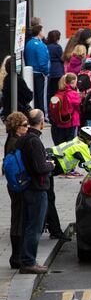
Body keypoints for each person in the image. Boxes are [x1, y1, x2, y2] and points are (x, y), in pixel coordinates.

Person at [16, 109, 54, 274]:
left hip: (28, 187)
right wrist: (51, 165)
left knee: (29, 225)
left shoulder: (25, 138)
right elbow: (39, 167)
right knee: (34, 227)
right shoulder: (34, 141)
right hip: (36, 188)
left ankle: (27, 259)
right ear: (42, 122)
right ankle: (28, 261)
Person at [4, 111, 29, 268]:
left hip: (13, 184)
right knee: (19, 219)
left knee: (17, 218)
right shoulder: (16, 143)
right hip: (19, 185)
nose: (27, 128)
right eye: (25, 125)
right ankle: (17, 257)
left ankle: (17, 256)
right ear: (17, 127)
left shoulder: (11, 140)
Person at [49, 73, 81, 144]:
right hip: (71, 122)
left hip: (60, 122)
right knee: (71, 144)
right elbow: (79, 107)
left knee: (62, 143)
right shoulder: (73, 93)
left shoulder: (59, 92)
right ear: (72, 82)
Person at [24, 25, 49, 113]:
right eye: (43, 30)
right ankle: (43, 113)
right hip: (40, 73)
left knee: (34, 95)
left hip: (31, 73)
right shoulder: (40, 45)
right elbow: (43, 61)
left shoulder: (29, 43)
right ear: (39, 32)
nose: (44, 32)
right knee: (42, 96)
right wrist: (46, 72)